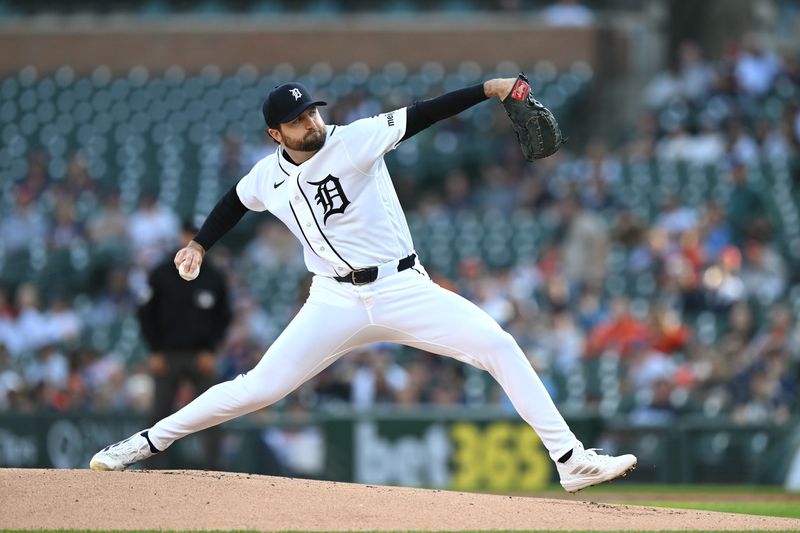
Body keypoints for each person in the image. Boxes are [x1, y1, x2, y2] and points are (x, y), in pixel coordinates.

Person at [90, 79, 637, 493]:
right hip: (333, 299)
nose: (311, 121)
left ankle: (570, 461)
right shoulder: (267, 175)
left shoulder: (355, 140)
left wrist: (489, 89)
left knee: (498, 345)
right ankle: (143, 443)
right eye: (298, 119)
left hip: (403, 287)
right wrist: (200, 244)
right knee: (257, 389)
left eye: (312, 111)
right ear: (275, 134)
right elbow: (235, 201)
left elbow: (423, 114)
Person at [136, 222, 232, 469]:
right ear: (182, 237)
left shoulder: (214, 276)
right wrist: (155, 350)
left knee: (211, 412)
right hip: (167, 355)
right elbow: (146, 313)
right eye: (188, 234)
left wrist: (211, 350)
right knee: (159, 412)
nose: (191, 238)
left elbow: (224, 317)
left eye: (197, 234)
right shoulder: (161, 272)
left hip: (201, 356)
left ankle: (214, 469)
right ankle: (151, 467)